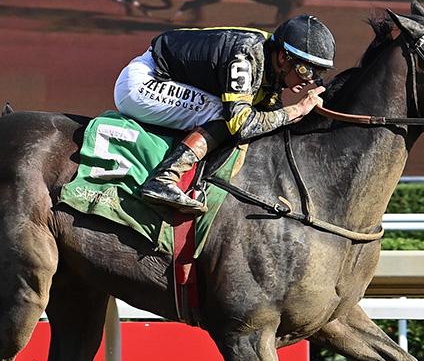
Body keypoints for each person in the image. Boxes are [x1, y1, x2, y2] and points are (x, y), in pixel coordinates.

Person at [113, 14, 335, 216]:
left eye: (319, 73)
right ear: (282, 58)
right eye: (306, 70)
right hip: (145, 82)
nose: (310, 80)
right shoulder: (245, 57)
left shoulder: (272, 61)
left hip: (172, 78)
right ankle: (162, 179)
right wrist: (295, 110)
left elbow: (272, 115)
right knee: (226, 114)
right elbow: (242, 124)